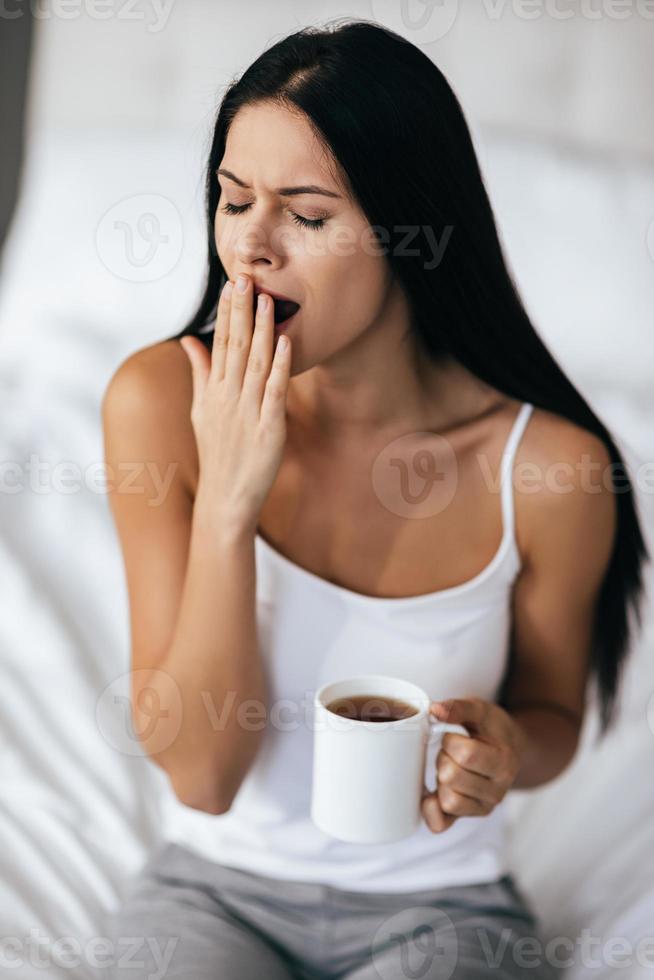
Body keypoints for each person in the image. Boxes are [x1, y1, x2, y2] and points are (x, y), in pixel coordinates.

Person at [100, 19, 647, 980]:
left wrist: (508, 749)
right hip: (215, 892)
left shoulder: (549, 469)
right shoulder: (157, 405)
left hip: (445, 909)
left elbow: (554, 717)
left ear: (411, 235)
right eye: (234, 200)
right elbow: (203, 778)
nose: (252, 248)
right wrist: (230, 500)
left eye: (307, 218)